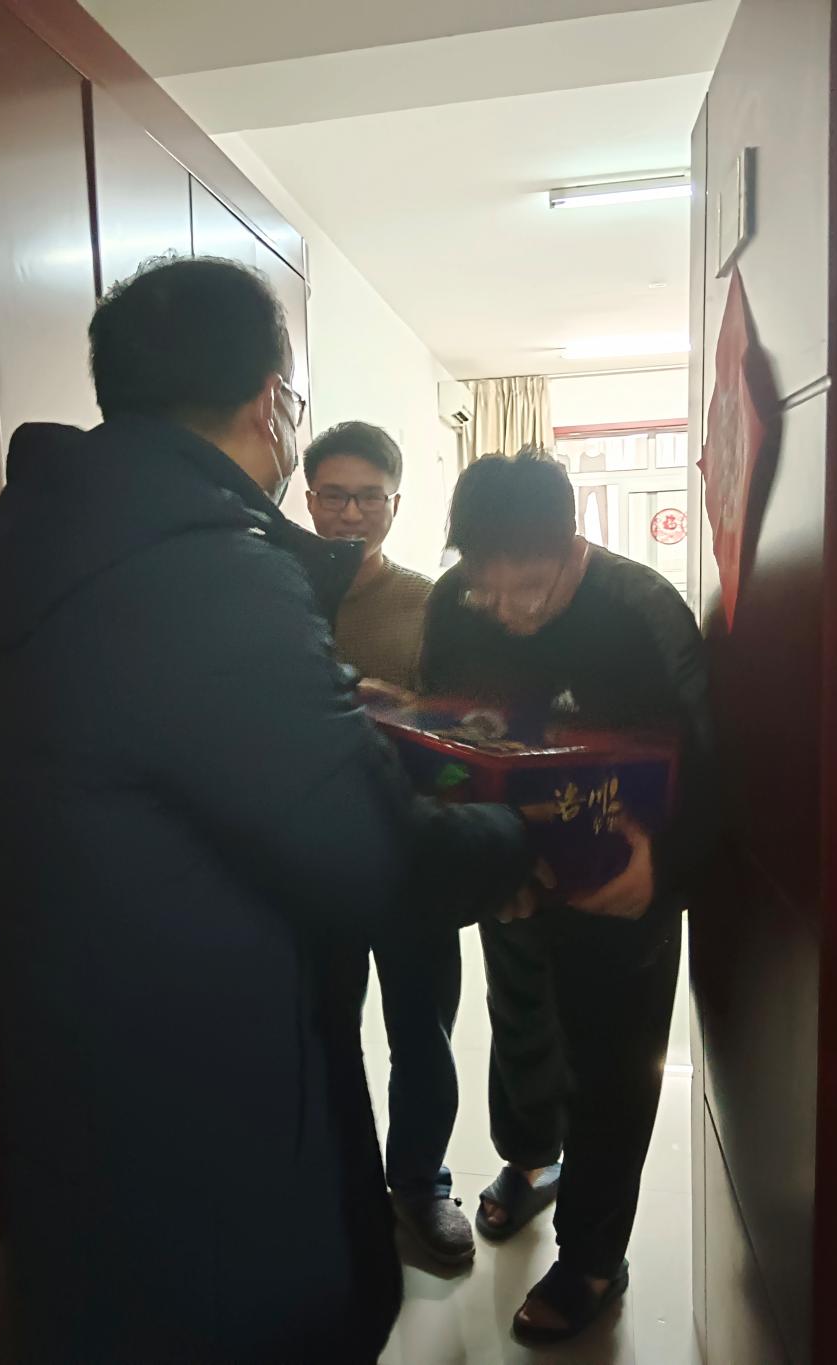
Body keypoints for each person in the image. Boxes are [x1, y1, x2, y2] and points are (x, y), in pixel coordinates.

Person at [0, 257, 541, 1365]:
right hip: (210, 1096)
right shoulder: (207, 569)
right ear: (273, 402)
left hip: (98, 1063)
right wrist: (518, 841)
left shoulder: (74, 538)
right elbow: (370, 857)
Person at [420, 450, 714, 1346]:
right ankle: (529, 1159)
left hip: (625, 888)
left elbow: (718, 761)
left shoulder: (642, 610)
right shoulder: (452, 604)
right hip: (515, 871)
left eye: (531, 589)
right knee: (519, 1022)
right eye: (487, 588)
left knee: (614, 1068)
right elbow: (439, 737)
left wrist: (667, 870)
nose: (508, 611)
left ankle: (592, 1256)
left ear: (573, 546)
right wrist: (476, 855)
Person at [305, 422, 472, 1266]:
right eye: (334, 495)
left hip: (411, 846)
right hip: (309, 852)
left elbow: (466, 723)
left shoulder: (430, 602)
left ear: (395, 505)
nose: (350, 513)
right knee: (321, 1031)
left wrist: (394, 704)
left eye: (368, 496)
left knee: (423, 1031)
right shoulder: (282, 588)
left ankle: (419, 1184)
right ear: (308, 500)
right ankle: (335, 1188)